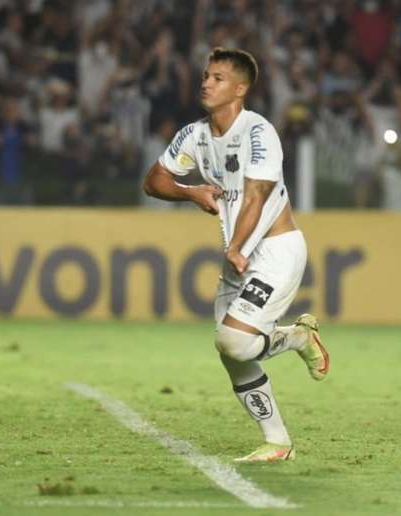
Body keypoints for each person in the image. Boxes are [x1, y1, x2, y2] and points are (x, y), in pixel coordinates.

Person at [143, 48, 330, 461]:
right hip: (237, 257)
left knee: (236, 341)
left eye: (218, 78)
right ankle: (278, 442)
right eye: (206, 76)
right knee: (231, 352)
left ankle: (299, 336)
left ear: (240, 88)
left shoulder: (259, 133)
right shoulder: (194, 135)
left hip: (274, 251)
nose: (206, 83)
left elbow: (256, 196)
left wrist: (236, 246)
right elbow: (154, 181)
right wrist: (190, 192)